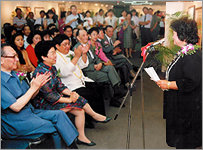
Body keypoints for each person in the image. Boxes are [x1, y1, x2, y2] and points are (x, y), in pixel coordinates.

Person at [33, 40, 111, 146]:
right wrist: (69, 99)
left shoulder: (52, 68)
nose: (55, 55)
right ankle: (94, 116)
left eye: (54, 52)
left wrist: (71, 93)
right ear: (43, 57)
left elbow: (60, 86)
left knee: (79, 107)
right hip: (45, 105)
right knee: (77, 104)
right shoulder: (41, 72)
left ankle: (82, 136)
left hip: (54, 99)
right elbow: (50, 96)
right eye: (52, 53)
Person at [1, 43, 78, 149]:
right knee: (54, 126)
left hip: (30, 112)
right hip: (15, 121)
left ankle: (72, 145)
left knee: (59, 115)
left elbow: (30, 97)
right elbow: (16, 107)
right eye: (13, 56)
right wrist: (33, 88)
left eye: (16, 56)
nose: (17, 59)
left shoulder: (15, 75)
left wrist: (37, 87)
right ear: (1, 60)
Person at [156, 17, 202, 149]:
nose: (173, 37)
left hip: (187, 110)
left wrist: (169, 84)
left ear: (183, 36)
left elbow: (190, 82)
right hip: (181, 105)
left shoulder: (192, 56)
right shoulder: (186, 52)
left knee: (185, 142)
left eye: (174, 33)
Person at [74, 29, 125, 107]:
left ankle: (116, 92)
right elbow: (79, 65)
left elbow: (96, 57)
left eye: (86, 35)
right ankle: (115, 96)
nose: (86, 37)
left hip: (96, 66)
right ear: (78, 37)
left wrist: (99, 63)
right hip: (89, 71)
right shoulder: (77, 48)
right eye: (83, 35)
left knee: (110, 68)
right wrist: (94, 66)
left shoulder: (88, 45)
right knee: (109, 76)